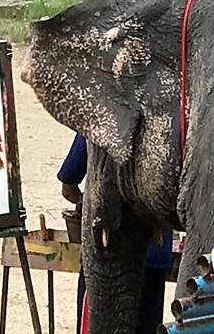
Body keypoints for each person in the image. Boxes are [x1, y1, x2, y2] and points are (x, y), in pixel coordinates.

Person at [57, 133, 172, 334]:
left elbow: (68, 187)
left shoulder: (100, 124)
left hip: (104, 244)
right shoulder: (168, 124)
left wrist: (86, 205)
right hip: (155, 247)